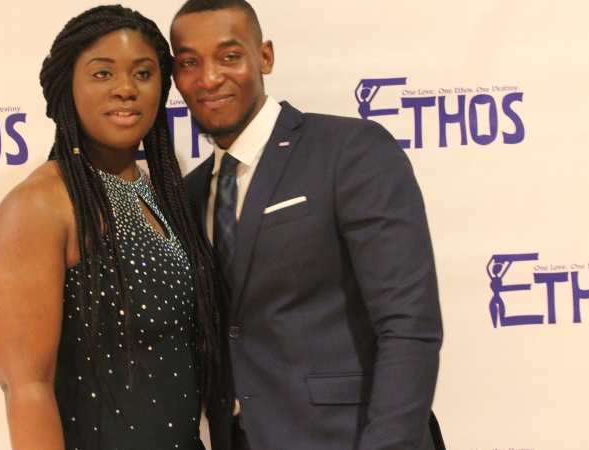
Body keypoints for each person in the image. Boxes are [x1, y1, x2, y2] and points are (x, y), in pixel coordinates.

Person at [170, 1, 445, 449]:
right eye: (189, 63)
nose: (209, 78)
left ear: (265, 56)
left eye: (229, 56)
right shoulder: (188, 193)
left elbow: (409, 324)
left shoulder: (350, 150)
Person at [0, 6, 222, 449]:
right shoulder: (40, 205)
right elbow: (27, 387)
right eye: (102, 74)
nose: (126, 90)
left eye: (144, 74)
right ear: (66, 88)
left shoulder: (159, 192)